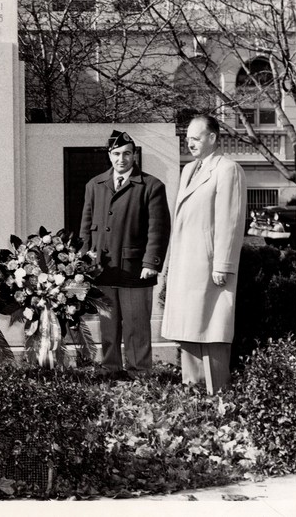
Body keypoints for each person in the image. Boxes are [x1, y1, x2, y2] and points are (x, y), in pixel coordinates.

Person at [161, 115, 247, 394]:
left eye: (196, 138)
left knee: (212, 334)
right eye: (188, 139)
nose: (190, 144)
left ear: (213, 137)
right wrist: (171, 265)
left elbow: (230, 221)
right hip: (186, 267)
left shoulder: (228, 169)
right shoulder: (188, 170)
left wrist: (223, 264)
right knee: (188, 334)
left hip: (210, 268)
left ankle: (218, 399)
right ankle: (193, 398)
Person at [80, 130, 171, 378]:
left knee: (136, 326)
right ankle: (110, 370)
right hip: (103, 268)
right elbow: (86, 227)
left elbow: (158, 228)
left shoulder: (151, 186)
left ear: (134, 155)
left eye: (127, 154)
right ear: (110, 155)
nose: (122, 159)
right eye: (117, 154)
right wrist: (83, 263)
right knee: (108, 327)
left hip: (135, 270)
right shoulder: (95, 185)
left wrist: (151, 262)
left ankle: (139, 372)